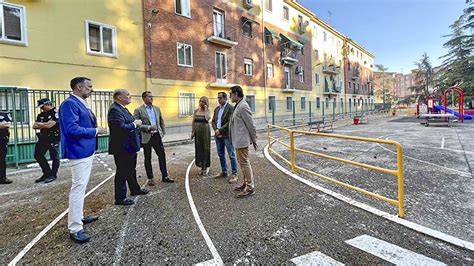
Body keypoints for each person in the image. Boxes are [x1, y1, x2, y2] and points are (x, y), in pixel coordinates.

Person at [59, 77, 107, 243]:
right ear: (79, 87)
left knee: (81, 186)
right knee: (78, 188)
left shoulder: (79, 102)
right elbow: (72, 129)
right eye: (89, 86)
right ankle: (75, 228)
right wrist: (95, 130)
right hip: (79, 151)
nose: (91, 89)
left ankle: (78, 217)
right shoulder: (69, 104)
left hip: (85, 150)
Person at [108, 89, 149, 206]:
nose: (130, 97)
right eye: (127, 95)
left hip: (129, 146)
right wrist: (135, 124)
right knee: (122, 172)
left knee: (131, 170)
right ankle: (120, 198)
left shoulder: (122, 108)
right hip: (122, 147)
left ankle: (135, 189)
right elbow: (119, 128)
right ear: (119, 97)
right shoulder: (115, 110)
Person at [133, 91, 174, 186]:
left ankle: (165, 176)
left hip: (156, 136)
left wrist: (162, 132)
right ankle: (150, 178)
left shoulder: (157, 108)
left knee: (162, 155)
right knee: (148, 157)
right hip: (146, 136)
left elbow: (161, 121)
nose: (152, 98)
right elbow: (136, 124)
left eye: (152, 96)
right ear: (144, 98)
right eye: (149, 97)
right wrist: (148, 127)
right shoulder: (138, 110)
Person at [229, 86, 257, 198]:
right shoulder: (238, 105)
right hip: (238, 140)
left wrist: (254, 139)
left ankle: (250, 188)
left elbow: (251, 124)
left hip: (242, 141)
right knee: (241, 162)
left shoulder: (243, 106)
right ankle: (246, 183)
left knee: (244, 162)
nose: (229, 96)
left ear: (236, 93)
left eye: (231, 93)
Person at [211, 92, 238, 182]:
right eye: (218, 98)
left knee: (232, 154)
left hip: (226, 135)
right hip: (218, 135)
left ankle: (234, 174)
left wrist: (220, 130)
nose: (218, 100)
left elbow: (230, 122)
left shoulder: (230, 108)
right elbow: (213, 121)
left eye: (220, 98)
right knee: (221, 154)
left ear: (225, 98)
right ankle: (224, 171)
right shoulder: (217, 109)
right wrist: (216, 130)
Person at [33, 98, 60, 183]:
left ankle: (53, 174)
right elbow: (34, 126)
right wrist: (45, 124)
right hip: (43, 138)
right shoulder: (41, 115)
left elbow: (50, 125)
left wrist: (41, 124)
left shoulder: (56, 113)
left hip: (53, 137)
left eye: (42, 106)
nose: (41, 109)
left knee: (54, 157)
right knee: (38, 155)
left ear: (48, 104)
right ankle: (47, 173)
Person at [191, 96, 211, 176]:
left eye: (203, 101)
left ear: (206, 103)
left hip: (205, 132)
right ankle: (201, 166)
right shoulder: (196, 111)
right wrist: (192, 132)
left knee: (205, 149)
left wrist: (206, 110)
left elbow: (207, 119)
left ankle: (205, 167)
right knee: (199, 149)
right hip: (197, 132)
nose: (201, 103)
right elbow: (193, 121)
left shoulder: (208, 111)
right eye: (200, 101)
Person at [0, 111, 12, 185]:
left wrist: (3, 124)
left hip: (2, 140)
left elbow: (7, 124)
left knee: (1, 159)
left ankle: (2, 178)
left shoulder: (4, 114)